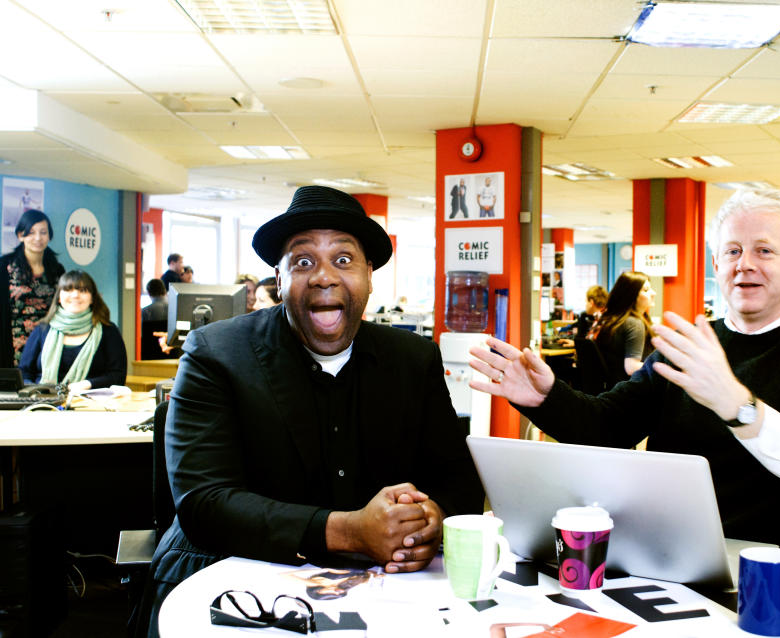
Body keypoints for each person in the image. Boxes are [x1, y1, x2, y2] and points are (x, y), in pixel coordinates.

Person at [468, 187, 780, 572]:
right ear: (716, 265)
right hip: (665, 556)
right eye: (732, 251)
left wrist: (737, 406)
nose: (744, 264)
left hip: (773, 565)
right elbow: (607, 426)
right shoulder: (687, 347)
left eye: (763, 250)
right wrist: (546, 397)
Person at [139, 185, 483, 637]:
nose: (323, 276)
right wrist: (350, 532)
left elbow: (458, 482)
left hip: (385, 591)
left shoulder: (413, 359)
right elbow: (204, 504)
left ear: (369, 275)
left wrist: (429, 521)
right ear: (279, 279)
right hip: (229, 578)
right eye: (302, 261)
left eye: (344, 259)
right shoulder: (217, 354)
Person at [19, 270, 127, 391]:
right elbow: (24, 373)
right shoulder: (42, 329)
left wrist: (87, 384)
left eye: (83, 290)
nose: (75, 295)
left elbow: (118, 376)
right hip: (43, 401)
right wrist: (34, 390)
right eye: (68, 290)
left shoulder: (108, 331)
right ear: (59, 297)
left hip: (90, 404)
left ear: (92, 298)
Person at [0, 209, 65, 367]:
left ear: (49, 236)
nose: (37, 238)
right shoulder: (5, 266)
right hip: (11, 344)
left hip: (47, 343)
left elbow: (62, 308)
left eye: (43, 232)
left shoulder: (57, 270)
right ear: (20, 236)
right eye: (31, 232)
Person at [591, 271, 655, 382]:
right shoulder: (634, 323)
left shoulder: (611, 320)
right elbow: (631, 367)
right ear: (631, 295)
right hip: (631, 391)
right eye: (646, 290)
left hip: (611, 388)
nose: (653, 293)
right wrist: (663, 366)